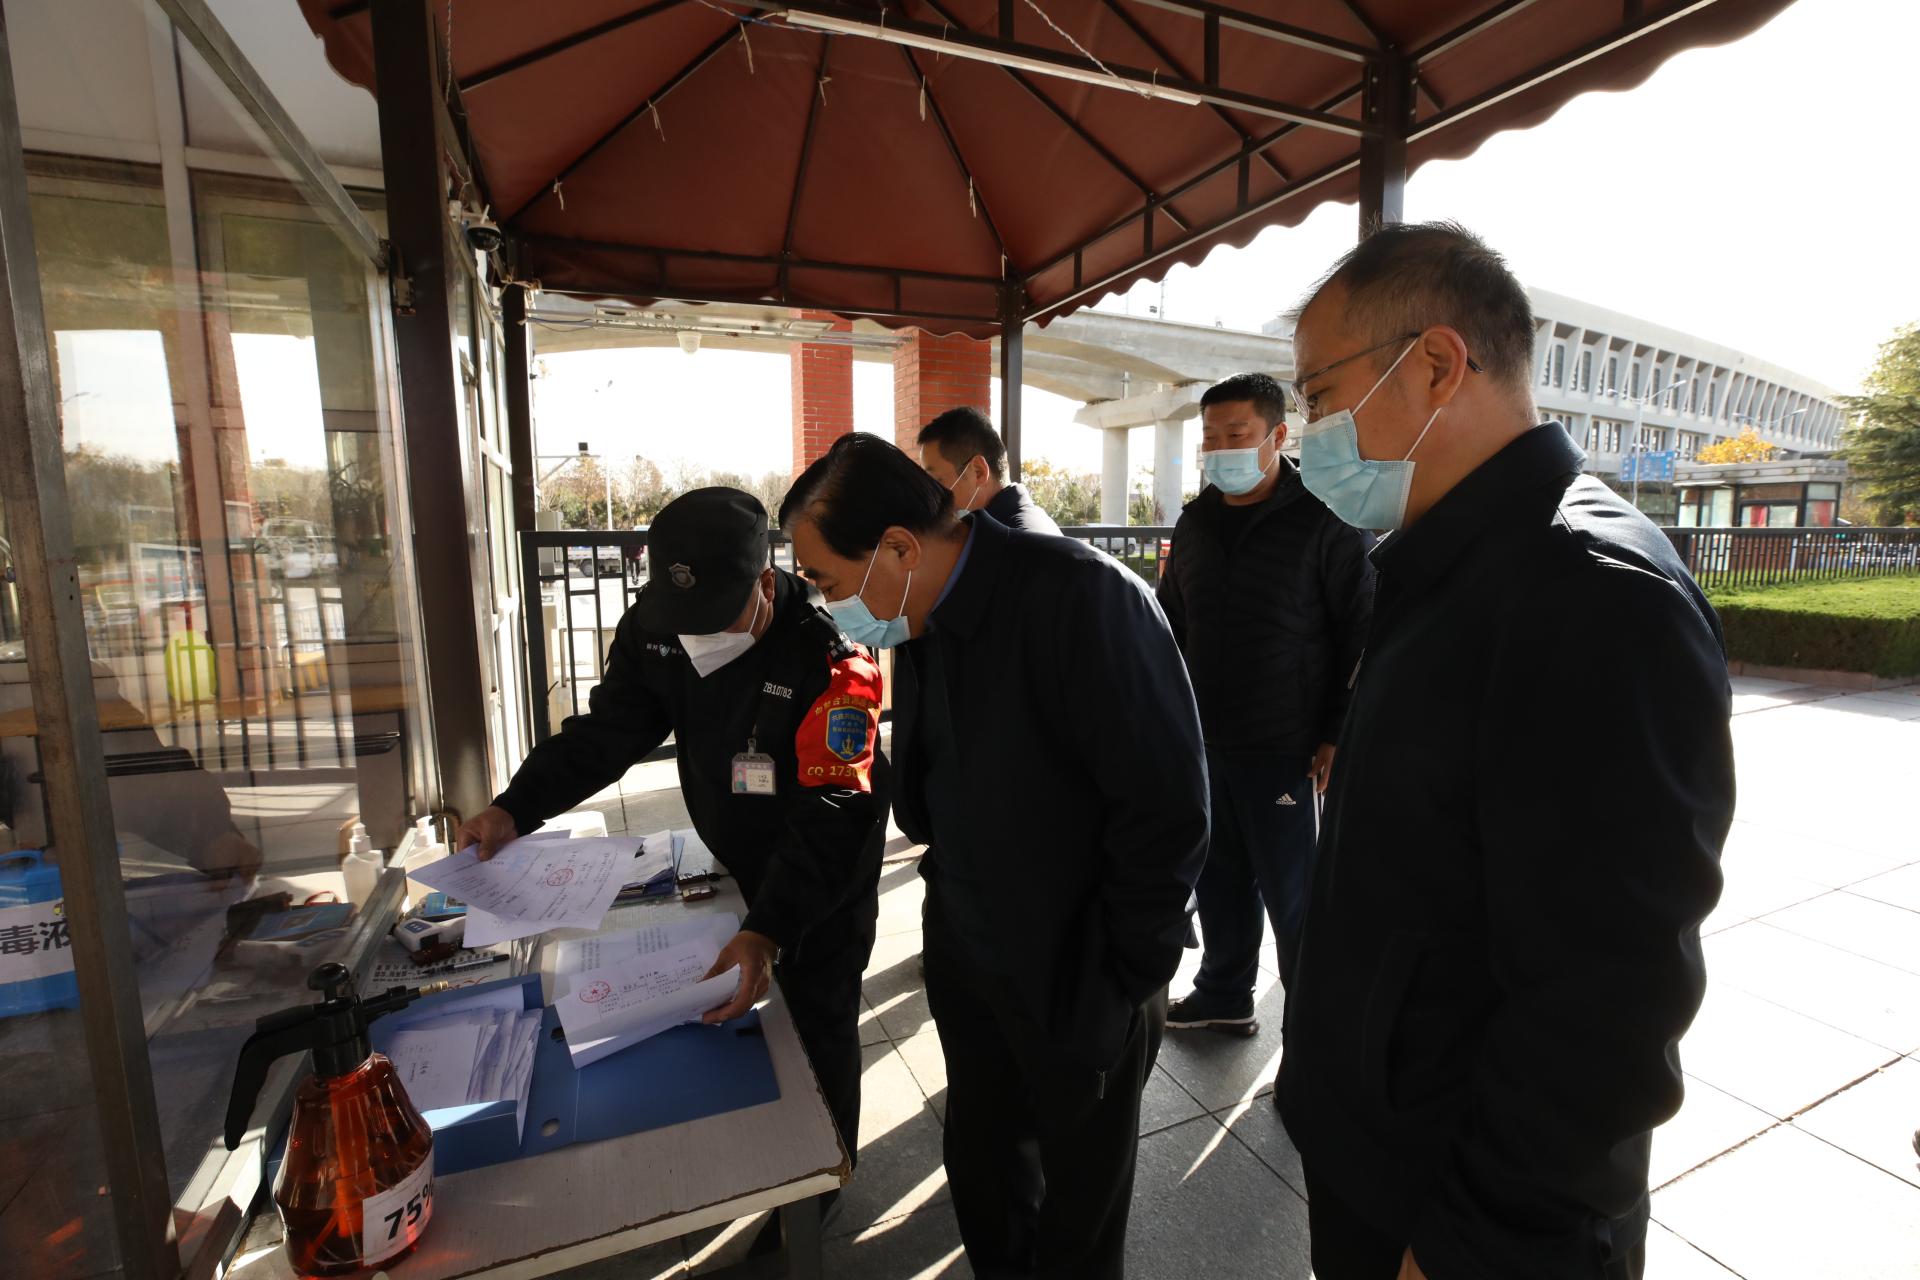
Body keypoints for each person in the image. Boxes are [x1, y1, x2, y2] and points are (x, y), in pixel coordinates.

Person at [1274, 222, 1733, 1280]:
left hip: (1465, 1216)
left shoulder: (1591, 594)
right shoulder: (1449, 562)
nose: (1307, 435)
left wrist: (1472, 1241)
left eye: (1319, 394)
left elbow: (1608, 999)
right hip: (1385, 1148)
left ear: (1436, 364)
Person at [779, 433, 1207, 1278]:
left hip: (1081, 965)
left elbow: (1169, 813)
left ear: (899, 547)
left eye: (826, 581)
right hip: (972, 945)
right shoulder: (921, 611)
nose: (827, 604)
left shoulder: (1084, 600)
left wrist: (1120, 979)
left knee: (1080, 1210)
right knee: (984, 1169)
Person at [456, 487, 887, 1171]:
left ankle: (823, 1181)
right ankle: (759, 1164)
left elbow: (836, 811)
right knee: (741, 1023)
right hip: (733, 855)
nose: (695, 637)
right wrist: (514, 807)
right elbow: (606, 733)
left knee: (818, 1020)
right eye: (683, 617)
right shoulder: (656, 627)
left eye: (714, 617)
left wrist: (770, 928)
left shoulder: (831, 660)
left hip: (820, 873)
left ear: (765, 585)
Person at [1157, 371, 1373, 1038]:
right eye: (1211, 437)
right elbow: (1173, 624)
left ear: (1278, 435)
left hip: (1289, 747)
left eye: (1237, 434)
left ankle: (1313, 1035)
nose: (1221, 449)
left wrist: (1337, 731)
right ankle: (1225, 993)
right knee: (1219, 877)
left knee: (1297, 895)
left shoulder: (1326, 518)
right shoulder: (1196, 523)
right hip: (1208, 741)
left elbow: (1362, 631)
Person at [916, 405, 1063, 534]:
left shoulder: (1012, 541)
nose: (931, 493)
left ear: (978, 472)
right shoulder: (1032, 521)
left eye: (935, 481)